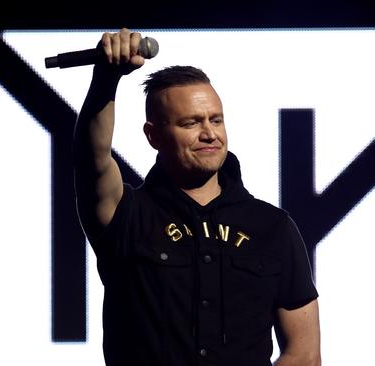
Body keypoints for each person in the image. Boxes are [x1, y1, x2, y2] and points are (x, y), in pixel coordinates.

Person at [73, 28, 320, 366]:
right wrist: (106, 79)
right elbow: (92, 160)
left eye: (215, 120)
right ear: (153, 135)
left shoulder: (273, 228)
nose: (209, 133)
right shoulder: (127, 215)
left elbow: (304, 354)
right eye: (191, 122)